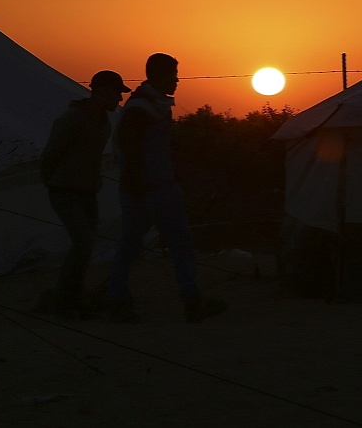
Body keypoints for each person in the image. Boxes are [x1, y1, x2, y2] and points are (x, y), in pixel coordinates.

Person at [109, 53, 226, 323]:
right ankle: (119, 302)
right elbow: (131, 152)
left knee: (180, 245)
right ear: (158, 76)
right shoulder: (140, 109)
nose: (177, 80)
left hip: (163, 188)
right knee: (131, 248)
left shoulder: (156, 106)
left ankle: (191, 302)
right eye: (173, 74)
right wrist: (140, 187)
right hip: (146, 192)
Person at [39, 70, 130, 319]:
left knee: (85, 246)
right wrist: (54, 183)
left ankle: (72, 297)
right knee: (82, 244)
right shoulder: (72, 119)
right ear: (100, 92)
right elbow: (50, 156)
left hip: (87, 191)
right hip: (66, 192)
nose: (119, 100)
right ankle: (65, 299)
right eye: (116, 93)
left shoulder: (102, 121)